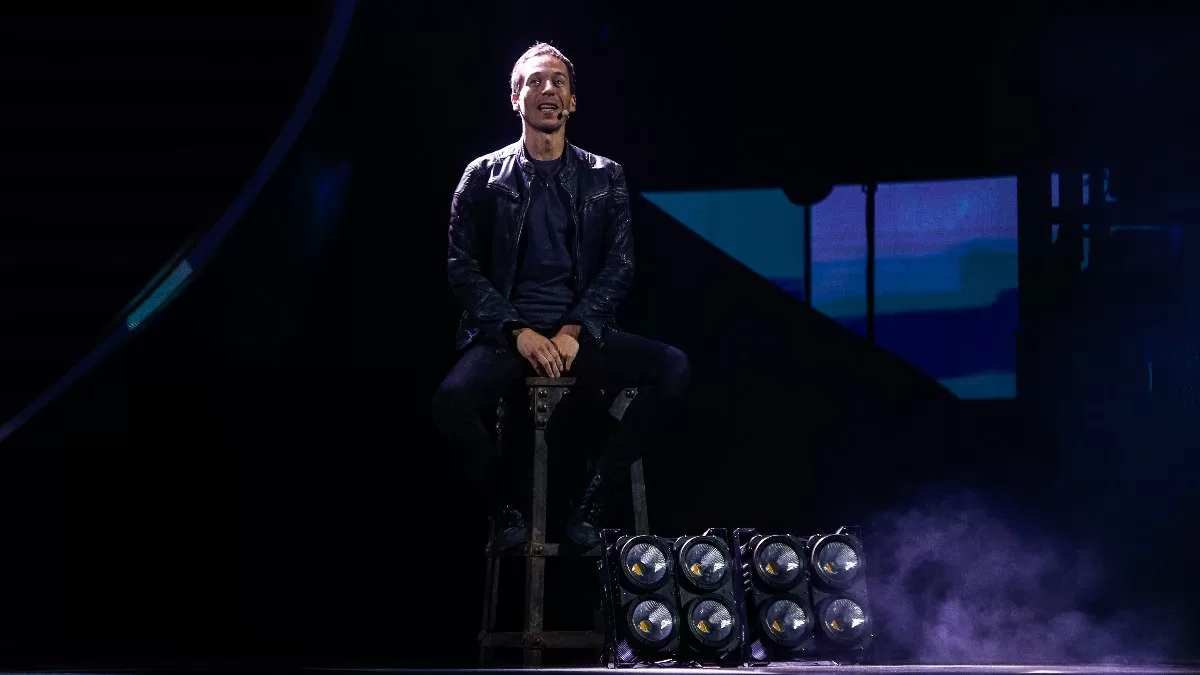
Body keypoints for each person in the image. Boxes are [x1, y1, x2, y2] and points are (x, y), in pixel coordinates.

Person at [431, 42, 690, 550]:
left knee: (674, 368)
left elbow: (619, 265)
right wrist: (517, 332)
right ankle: (503, 506)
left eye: (558, 83)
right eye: (535, 82)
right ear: (515, 98)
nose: (547, 89)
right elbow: (462, 269)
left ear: (571, 102)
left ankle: (594, 495)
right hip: (511, 336)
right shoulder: (482, 176)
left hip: (580, 334)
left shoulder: (604, 175)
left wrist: (574, 330)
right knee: (450, 402)